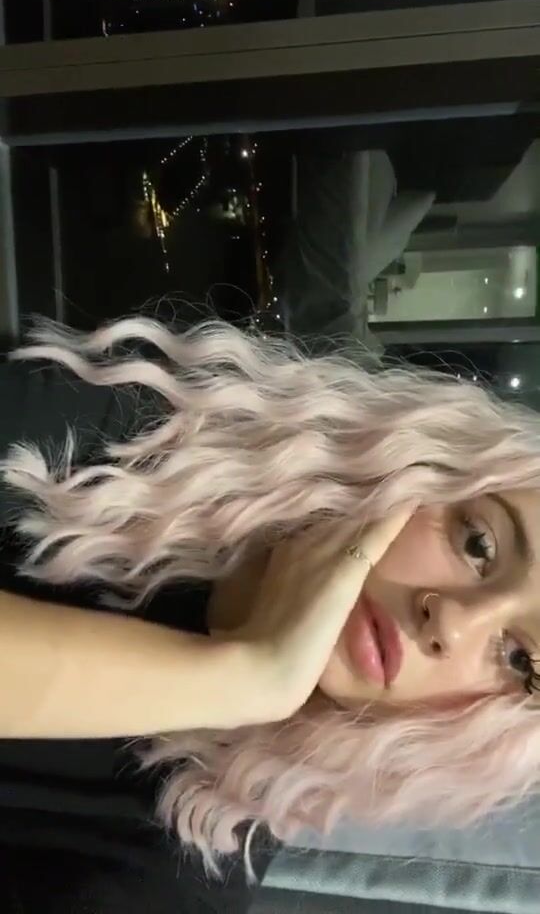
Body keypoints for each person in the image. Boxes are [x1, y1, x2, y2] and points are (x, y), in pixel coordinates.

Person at [0, 315, 540, 911]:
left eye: (521, 660)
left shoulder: (178, 868)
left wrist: (245, 678)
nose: (454, 624)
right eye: (478, 545)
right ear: (425, 466)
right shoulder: (155, 436)